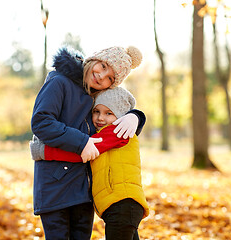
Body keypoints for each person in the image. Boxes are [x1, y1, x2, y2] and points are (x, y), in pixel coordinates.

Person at [30, 45, 145, 240]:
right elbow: (41, 122)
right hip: (55, 186)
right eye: (102, 66)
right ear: (93, 59)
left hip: (83, 191)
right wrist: (81, 142)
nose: (101, 76)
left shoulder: (95, 94)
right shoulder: (59, 82)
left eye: (110, 78)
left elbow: (117, 108)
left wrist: (136, 116)